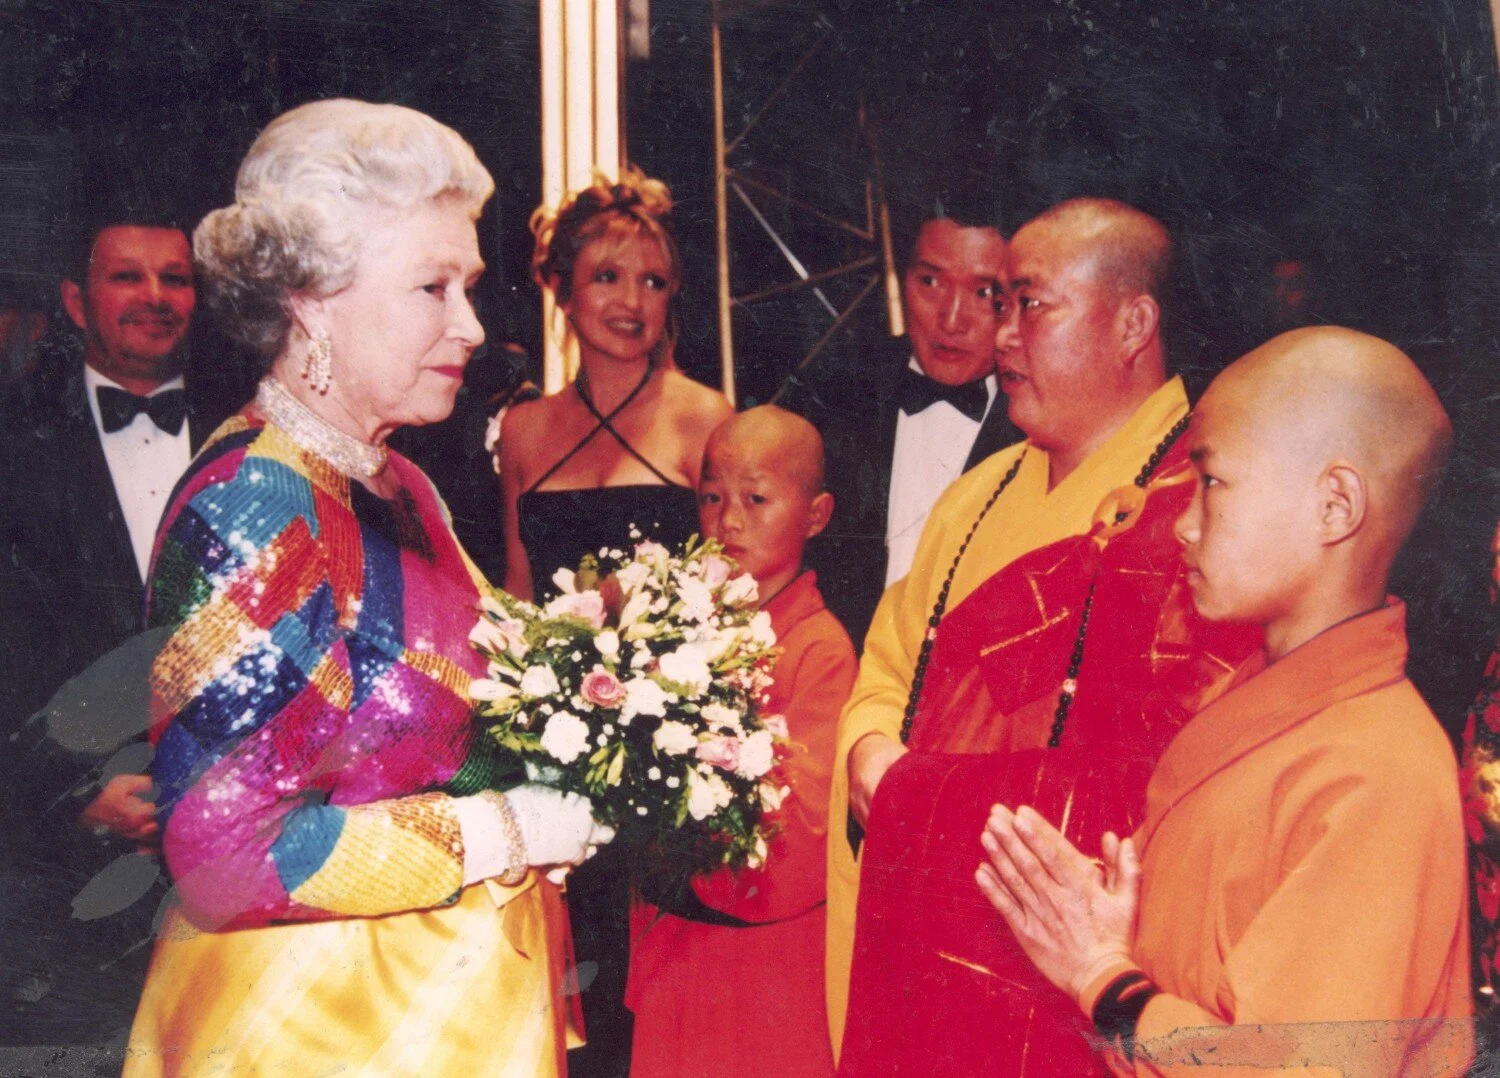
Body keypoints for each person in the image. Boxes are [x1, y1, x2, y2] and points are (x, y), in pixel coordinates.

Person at [121, 98, 609, 1077]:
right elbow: (219, 852)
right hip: (308, 1035)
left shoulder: (404, 485)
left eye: (468, 286)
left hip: (445, 1022)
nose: (471, 325)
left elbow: (458, 719)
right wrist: (493, 829)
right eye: (432, 287)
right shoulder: (254, 503)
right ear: (310, 299)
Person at [829, 197, 1260, 1071]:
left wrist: (922, 796)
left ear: (1135, 323)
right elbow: (887, 663)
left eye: (1029, 304)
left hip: (1086, 970)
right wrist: (870, 753)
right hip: (926, 932)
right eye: (1006, 307)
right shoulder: (977, 494)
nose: (1003, 338)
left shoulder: (1208, 506)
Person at [978, 326, 1473, 1076]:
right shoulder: (1272, 702)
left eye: (1211, 483)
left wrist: (1106, 980)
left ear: (1335, 506)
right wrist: (1122, 928)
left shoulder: (1377, 773)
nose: (1182, 523)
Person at [496, 168, 732, 1076]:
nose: (631, 302)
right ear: (560, 284)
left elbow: (730, 609)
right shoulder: (524, 432)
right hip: (555, 771)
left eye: (654, 281)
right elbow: (518, 605)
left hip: (670, 779)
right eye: (607, 277)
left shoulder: (707, 420)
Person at [0, 200, 228, 1049]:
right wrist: (76, 796)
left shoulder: (253, 438)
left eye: (175, 278)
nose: (155, 296)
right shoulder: (14, 446)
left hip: (235, 862)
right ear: (73, 300)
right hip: (61, 876)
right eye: (126, 276)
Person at [626, 406, 855, 1077]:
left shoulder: (821, 650)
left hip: (761, 969)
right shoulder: (676, 628)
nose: (728, 522)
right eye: (712, 497)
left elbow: (796, 847)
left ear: (816, 515)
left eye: (756, 499)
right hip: (676, 949)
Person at [781, 201, 1020, 648]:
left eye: (985, 294)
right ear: (900, 276)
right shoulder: (830, 395)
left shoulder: (1044, 422)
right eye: (930, 281)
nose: (951, 320)